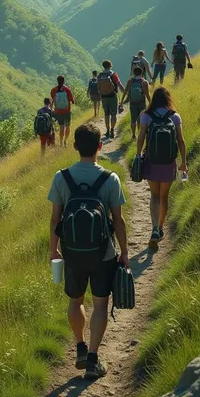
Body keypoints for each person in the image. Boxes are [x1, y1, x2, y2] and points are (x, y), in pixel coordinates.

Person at [49, 123, 129, 380]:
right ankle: (93, 359)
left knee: (75, 301)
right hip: (103, 254)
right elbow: (118, 220)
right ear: (100, 146)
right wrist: (124, 251)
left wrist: (55, 250)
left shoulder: (62, 178)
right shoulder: (110, 179)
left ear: (74, 147)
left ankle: (81, 347)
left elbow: (55, 220)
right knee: (100, 304)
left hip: (72, 253)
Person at [136, 87, 187, 250]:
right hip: (169, 162)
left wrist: (138, 155)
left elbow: (141, 137)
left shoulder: (146, 115)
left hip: (152, 160)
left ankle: (154, 228)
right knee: (164, 197)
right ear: (167, 99)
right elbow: (181, 141)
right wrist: (183, 162)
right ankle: (160, 227)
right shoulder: (175, 116)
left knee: (154, 195)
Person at [120, 65, 151, 140]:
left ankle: (133, 135)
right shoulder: (144, 82)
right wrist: (151, 103)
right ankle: (140, 134)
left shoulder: (130, 81)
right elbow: (147, 94)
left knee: (133, 119)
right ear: (142, 73)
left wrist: (121, 102)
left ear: (133, 73)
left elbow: (125, 92)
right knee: (140, 119)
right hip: (141, 102)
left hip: (133, 102)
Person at [97, 60, 124, 140]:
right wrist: (125, 92)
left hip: (104, 97)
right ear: (110, 65)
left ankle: (107, 130)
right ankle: (112, 130)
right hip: (112, 96)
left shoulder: (100, 75)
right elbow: (119, 84)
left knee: (106, 114)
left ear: (103, 66)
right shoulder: (113, 74)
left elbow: (98, 87)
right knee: (113, 114)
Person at [51, 76, 75, 147]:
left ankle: (61, 142)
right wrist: (73, 100)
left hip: (58, 111)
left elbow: (53, 99)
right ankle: (65, 141)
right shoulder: (67, 89)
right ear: (64, 81)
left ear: (57, 81)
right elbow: (72, 100)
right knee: (67, 126)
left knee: (61, 126)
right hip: (67, 111)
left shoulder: (54, 90)